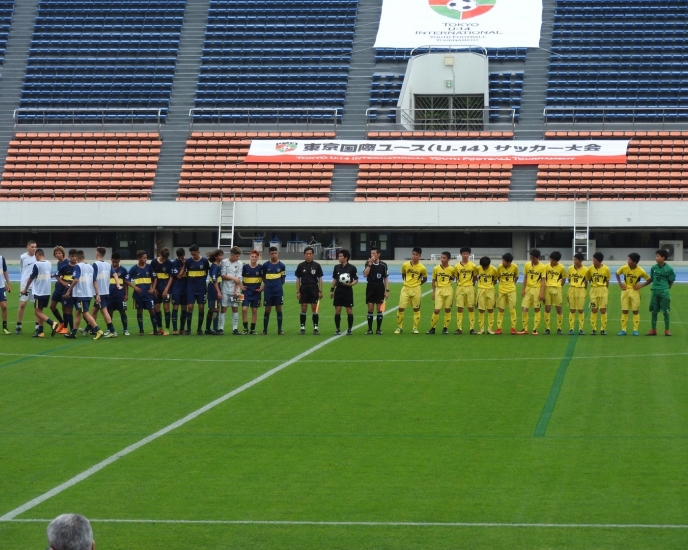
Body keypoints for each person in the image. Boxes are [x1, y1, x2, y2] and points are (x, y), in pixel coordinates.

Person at [63, 250, 103, 340]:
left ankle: (98, 330)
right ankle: (73, 332)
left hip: (81, 294)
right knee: (78, 312)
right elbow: (95, 281)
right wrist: (97, 294)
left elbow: (76, 280)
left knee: (85, 313)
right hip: (88, 294)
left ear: (77, 257)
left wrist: (69, 291)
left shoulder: (78, 266)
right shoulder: (90, 266)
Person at [20, 249, 59, 337]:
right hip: (47, 291)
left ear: (37, 255)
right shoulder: (49, 263)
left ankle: (52, 323)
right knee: (40, 311)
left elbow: (31, 277)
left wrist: (25, 289)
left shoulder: (37, 264)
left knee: (37, 312)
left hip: (39, 291)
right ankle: (40, 331)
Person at [636, 249, 675, 336]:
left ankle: (667, 330)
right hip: (654, 291)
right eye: (656, 256)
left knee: (666, 311)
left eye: (658, 256)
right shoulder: (653, 268)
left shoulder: (669, 269)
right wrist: (641, 286)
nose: (656, 258)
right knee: (654, 311)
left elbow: (671, 281)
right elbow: (651, 279)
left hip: (664, 291)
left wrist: (666, 289)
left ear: (663, 258)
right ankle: (653, 330)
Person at [124, 250, 160, 336]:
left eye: (146, 257)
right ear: (139, 258)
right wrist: (134, 287)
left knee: (152, 310)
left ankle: (155, 330)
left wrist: (153, 288)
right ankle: (141, 330)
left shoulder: (149, 267)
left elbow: (155, 278)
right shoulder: (134, 269)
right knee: (139, 311)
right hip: (138, 295)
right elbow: (126, 280)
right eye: (144, 258)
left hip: (148, 294)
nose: (146, 259)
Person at [615, 252, 650, 336]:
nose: (628, 261)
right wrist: (620, 284)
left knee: (635, 311)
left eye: (630, 260)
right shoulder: (624, 268)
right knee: (624, 310)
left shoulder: (640, 271)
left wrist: (640, 286)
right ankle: (623, 330)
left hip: (635, 292)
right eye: (628, 259)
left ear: (635, 262)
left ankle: (635, 330)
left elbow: (649, 279)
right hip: (625, 290)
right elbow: (617, 273)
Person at [90, 247, 121, 338]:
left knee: (104, 311)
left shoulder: (95, 264)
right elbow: (115, 274)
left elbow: (93, 279)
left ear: (97, 254)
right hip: (106, 291)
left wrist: (97, 293)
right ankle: (91, 328)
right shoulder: (108, 265)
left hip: (99, 292)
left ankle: (112, 330)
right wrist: (118, 284)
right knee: (94, 310)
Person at [395, 246, 427, 334]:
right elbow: (403, 274)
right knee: (401, 308)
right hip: (405, 289)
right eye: (413, 254)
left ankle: (415, 328)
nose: (414, 256)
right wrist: (407, 282)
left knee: (416, 309)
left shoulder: (422, 267)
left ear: (419, 256)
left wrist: (417, 284)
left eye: (416, 255)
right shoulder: (405, 265)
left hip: (416, 290)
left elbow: (425, 278)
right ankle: (399, 327)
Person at [295, 246, 324, 335]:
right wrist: (298, 291)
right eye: (307, 254)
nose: (308, 255)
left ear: (313, 255)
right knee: (303, 307)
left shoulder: (317, 265)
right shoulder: (300, 265)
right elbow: (298, 279)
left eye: (310, 254)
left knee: (314, 308)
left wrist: (320, 291)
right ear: (304, 255)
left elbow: (320, 279)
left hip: (314, 288)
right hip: (303, 288)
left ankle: (315, 327)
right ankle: (302, 327)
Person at [518, 249, 547, 335]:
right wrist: (523, 289)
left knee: (536, 309)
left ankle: (535, 329)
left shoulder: (542, 267)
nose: (531, 259)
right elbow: (525, 278)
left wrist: (542, 293)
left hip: (537, 289)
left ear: (538, 258)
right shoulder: (527, 265)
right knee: (524, 308)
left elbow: (543, 281)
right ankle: (525, 329)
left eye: (533, 258)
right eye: (530, 257)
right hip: (528, 289)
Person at [330, 248, 358, 335]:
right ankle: (338, 329)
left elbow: (356, 279)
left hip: (347, 291)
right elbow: (335, 279)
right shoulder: (336, 267)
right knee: (337, 310)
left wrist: (351, 284)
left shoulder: (352, 268)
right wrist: (332, 289)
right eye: (339, 256)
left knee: (349, 310)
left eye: (340, 256)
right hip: (338, 290)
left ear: (346, 258)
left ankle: (349, 329)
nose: (339, 257)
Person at [426, 251, 455, 335]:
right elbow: (433, 280)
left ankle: (445, 328)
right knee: (436, 310)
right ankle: (432, 328)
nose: (442, 259)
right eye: (441, 257)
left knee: (447, 309)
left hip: (448, 290)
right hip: (439, 290)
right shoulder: (436, 268)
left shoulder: (452, 269)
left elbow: (454, 277)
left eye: (444, 258)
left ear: (448, 259)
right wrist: (433, 292)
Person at [363, 246, 389, 335]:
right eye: (371, 253)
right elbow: (365, 275)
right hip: (370, 286)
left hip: (379, 286)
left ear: (378, 254)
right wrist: (370, 264)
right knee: (370, 307)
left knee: (379, 308)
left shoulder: (383, 265)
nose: (372, 255)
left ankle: (378, 329)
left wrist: (387, 290)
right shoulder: (367, 263)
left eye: (374, 253)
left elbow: (385, 278)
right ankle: (369, 329)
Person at [185, 244, 211, 335]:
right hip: (191, 288)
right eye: (192, 254)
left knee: (201, 307)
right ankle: (188, 329)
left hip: (201, 288)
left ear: (198, 252)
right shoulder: (188, 262)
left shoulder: (204, 261)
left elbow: (208, 273)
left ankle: (199, 329)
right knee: (190, 307)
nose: (193, 256)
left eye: (194, 254)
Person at [453, 246, 478, 335]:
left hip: (470, 288)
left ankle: (472, 328)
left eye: (467, 253)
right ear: (461, 254)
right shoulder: (456, 266)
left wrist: (472, 285)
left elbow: (475, 277)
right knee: (460, 308)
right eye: (463, 253)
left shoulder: (473, 266)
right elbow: (456, 277)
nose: (465, 255)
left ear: (469, 254)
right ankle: (459, 328)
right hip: (460, 288)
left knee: (471, 308)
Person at [262, 246, 286, 335]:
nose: (274, 255)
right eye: (272, 253)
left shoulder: (282, 265)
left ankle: (280, 329)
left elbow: (283, 279)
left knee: (278, 308)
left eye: (275, 253)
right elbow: (263, 278)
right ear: (269, 254)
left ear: (278, 253)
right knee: (267, 308)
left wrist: (278, 286)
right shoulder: (265, 265)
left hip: (278, 291)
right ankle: (265, 330)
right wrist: (268, 285)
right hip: (268, 291)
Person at [219, 246, 242, 335]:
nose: (238, 258)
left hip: (235, 289)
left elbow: (239, 278)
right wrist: (233, 278)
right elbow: (223, 275)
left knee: (235, 308)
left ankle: (235, 329)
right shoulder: (224, 262)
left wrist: (236, 291)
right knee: (223, 308)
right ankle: (221, 328)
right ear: (232, 255)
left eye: (238, 256)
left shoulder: (240, 264)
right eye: (236, 256)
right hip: (224, 289)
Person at [586, 251, 611, 335]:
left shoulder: (606, 269)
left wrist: (605, 290)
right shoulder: (590, 268)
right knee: (594, 309)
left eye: (595, 261)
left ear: (600, 261)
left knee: (603, 310)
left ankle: (603, 329)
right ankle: (593, 329)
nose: (593, 262)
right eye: (593, 260)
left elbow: (607, 281)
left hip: (603, 290)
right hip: (593, 290)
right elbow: (588, 279)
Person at [16, 240, 38, 334]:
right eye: (32, 247)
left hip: (35, 285)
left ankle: (37, 326)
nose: (34, 249)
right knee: (22, 304)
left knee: (36, 306)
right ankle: (18, 325)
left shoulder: (37, 257)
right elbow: (22, 269)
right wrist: (24, 279)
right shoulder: (23, 257)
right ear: (27, 247)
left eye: (35, 247)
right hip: (25, 284)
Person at [241, 250, 264, 335]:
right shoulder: (245, 267)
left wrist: (263, 286)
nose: (254, 258)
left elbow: (265, 279)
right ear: (249, 257)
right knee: (244, 309)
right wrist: (240, 285)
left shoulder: (261, 268)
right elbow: (238, 277)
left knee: (254, 310)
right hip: (245, 292)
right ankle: (245, 328)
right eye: (252, 256)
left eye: (255, 257)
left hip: (256, 292)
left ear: (258, 258)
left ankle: (252, 329)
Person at [151, 247, 174, 333]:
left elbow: (171, 277)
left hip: (165, 288)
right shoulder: (153, 262)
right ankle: (160, 328)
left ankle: (167, 329)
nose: (164, 260)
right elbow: (152, 277)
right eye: (163, 258)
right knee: (156, 308)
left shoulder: (169, 263)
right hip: (156, 289)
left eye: (166, 258)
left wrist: (166, 289)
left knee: (166, 307)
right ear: (160, 255)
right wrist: (153, 288)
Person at [495, 252, 519, 335]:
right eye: (502, 260)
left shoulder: (515, 267)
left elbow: (516, 276)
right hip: (502, 291)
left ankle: (513, 328)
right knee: (501, 310)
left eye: (504, 261)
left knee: (512, 310)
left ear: (509, 262)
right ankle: (499, 328)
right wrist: (503, 284)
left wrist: (512, 284)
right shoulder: (499, 267)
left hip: (511, 291)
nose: (502, 262)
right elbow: (498, 276)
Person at [543, 251, 566, 335]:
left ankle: (559, 328)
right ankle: (547, 328)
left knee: (559, 309)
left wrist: (559, 286)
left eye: (553, 260)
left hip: (557, 289)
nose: (551, 261)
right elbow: (543, 278)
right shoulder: (546, 267)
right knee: (547, 308)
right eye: (550, 259)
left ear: (557, 260)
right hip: (548, 289)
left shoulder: (562, 268)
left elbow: (564, 279)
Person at [108, 252, 130, 335]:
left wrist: (126, 294)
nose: (115, 263)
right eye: (113, 262)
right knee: (109, 312)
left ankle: (125, 329)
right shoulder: (108, 269)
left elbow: (126, 283)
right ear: (111, 260)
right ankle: (109, 329)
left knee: (122, 311)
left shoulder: (123, 270)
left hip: (120, 295)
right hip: (110, 295)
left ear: (119, 261)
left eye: (116, 262)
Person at [57, 249, 78, 336]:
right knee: (68, 309)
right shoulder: (65, 267)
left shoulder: (80, 266)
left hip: (79, 292)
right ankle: (71, 329)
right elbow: (57, 275)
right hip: (68, 291)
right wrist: (63, 282)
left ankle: (91, 328)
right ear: (69, 257)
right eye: (72, 256)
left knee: (82, 311)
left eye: (75, 256)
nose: (74, 258)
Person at [475, 256, 498, 334]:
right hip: (481, 290)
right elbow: (475, 277)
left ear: (489, 264)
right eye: (483, 266)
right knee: (481, 309)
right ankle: (481, 329)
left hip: (490, 290)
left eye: (486, 266)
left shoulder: (494, 269)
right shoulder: (478, 269)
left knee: (490, 309)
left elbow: (495, 280)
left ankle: (490, 329)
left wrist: (489, 286)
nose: (484, 267)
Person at [567, 252, 588, 335]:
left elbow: (586, 282)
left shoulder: (586, 270)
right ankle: (571, 328)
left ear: (581, 260)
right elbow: (569, 279)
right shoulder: (570, 268)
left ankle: (581, 329)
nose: (574, 261)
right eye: (574, 259)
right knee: (572, 309)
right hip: (572, 289)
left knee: (580, 310)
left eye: (576, 260)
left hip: (581, 290)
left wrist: (582, 289)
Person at [48, 246, 68, 333]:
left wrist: (60, 278)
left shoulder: (67, 262)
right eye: (56, 253)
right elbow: (59, 273)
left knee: (65, 308)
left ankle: (65, 327)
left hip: (65, 288)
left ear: (63, 253)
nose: (58, 255)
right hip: (58, 287)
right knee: (52, 306)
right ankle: (61, 322)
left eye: (59, 253)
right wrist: (54, 275)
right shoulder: (58, 263)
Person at [170, 247, 188, 335]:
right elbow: (179, 276)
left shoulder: (188, 261)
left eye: (182, 257)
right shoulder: (174, 263)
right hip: (176, 289)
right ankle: (175, 329)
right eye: (180, 257)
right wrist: (184, 265)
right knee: (175, 307)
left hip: (186, 289)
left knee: (184, 308)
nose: (181, 259)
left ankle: (182, 329)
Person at [205, 249, 223, 335]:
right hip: (214, 290)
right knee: (215, 309)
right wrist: (218, 292)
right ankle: (215, 329)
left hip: (213, 289)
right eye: (220, 256)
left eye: (222, 255)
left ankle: (208, 328)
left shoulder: (215, 266)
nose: (222, 257)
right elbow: (214, 280)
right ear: (216, 257)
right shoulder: (215, 267)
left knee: (212, 309)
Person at [0, 251, 10, 334]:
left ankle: (5, 327)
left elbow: (5, 271)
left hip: (1, 287)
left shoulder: (1, 258)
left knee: (4, 306)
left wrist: (8, 283)